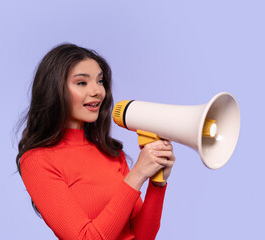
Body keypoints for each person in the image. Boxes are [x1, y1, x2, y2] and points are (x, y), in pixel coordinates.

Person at [16, 43, 176, 240]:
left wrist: (157, 184)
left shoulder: (111, 152)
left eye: (100, 81)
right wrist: (137, 174)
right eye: (82, 83)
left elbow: (143, 236)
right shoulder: (37, 161)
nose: (97, 91)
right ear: (54, 90)